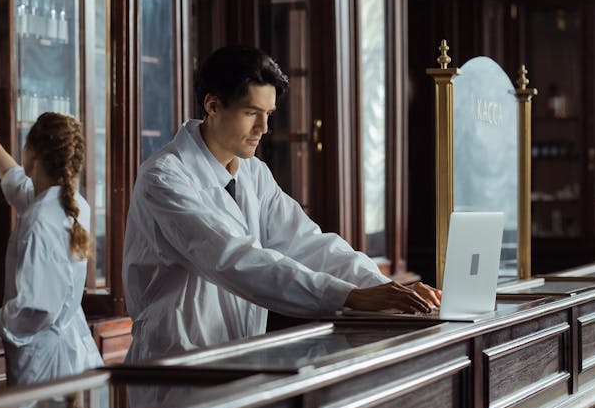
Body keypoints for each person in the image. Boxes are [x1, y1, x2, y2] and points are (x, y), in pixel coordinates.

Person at [123, 45, 440, 362]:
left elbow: (308, 244)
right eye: (251, 113)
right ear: (213, 105)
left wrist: (384, 289)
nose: (263, 128)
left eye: (268, 114)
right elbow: (230, 257)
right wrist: (348, 295)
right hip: (176, 364)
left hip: (239, 358)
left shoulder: (253, 172)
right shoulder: (164, 178)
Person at [0, 96, 103, 387]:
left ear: (31, 155)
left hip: (46, 364)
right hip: (71, 353)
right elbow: (16, 182)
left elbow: (36, 309)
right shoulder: (71, 204)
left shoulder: (40, 219)